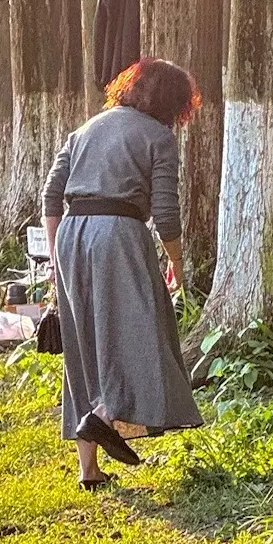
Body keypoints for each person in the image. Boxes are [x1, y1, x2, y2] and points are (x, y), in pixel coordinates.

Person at [43, 58, 203, 490]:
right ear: (174, 103)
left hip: (71, 234)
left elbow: (51, 195)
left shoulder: (85, 129)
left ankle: (88, 470)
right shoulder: (159, 137)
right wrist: (176, 262)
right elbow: (166, 214)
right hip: (119, 233)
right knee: (135, 332)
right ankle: (101, 416)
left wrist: (59, 252)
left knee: (84, 345)